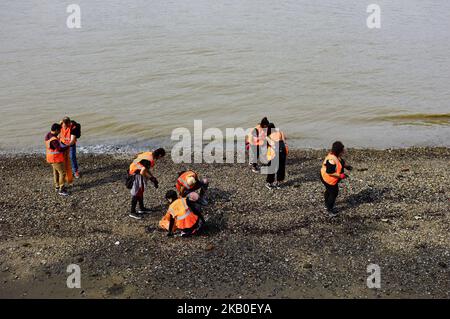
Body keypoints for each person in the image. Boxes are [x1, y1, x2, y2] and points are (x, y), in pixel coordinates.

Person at [128, 148, 166, 220]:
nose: (161, 159)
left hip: (134, 169)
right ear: (160, 155)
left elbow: (145, 168)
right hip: (136, 173)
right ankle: (132, 212)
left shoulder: (148, 154)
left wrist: (153, 177)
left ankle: (141, 208)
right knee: (136, 193)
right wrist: (151, 178)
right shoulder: (150, 160)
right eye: (161, 157)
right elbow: (142, 172)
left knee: (140, 191)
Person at [320, 141, 353, 216]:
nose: (344, 150)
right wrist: (341, 176)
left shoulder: (335, 155)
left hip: (327, 177)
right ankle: (329, 210)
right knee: (334, 193)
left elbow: (340, 162)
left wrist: (346, 166)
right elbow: (330, 172)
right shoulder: (331, 160)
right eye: (342, 149)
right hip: (327, 179)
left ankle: (327, 203)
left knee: (329, 190)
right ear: (339, 151)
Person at [45, 123, 69, 196]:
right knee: (63, 172)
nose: (60, 132)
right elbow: (60, 149)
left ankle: (57, 186)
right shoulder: (54, 140)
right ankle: (62, 189)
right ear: (56, 130)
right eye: (59, 130)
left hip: (50, 157)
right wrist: (67, 146)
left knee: (55, 172)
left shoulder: (48, 135)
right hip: (55, 159)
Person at [265, 123, 288, 189]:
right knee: (281, 167)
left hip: (275, 151)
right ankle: (278, 183)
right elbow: (285, 140)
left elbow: (271, 144)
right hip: (283, 150)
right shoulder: (280, 132)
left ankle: (269, 183)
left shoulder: (268, 136)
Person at [59, 117, 77, 183]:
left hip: (70, 145)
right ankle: (65, 172)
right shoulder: (61, 124)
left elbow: (72, 141)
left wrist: (67, 146)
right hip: (62, 143)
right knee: (63, 159)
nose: (64, 126)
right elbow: (58, 133)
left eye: (66, 125)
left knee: (72, 157)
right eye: (64, 124)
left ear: (69, 123)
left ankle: (75, 171)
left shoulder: (73, 128)